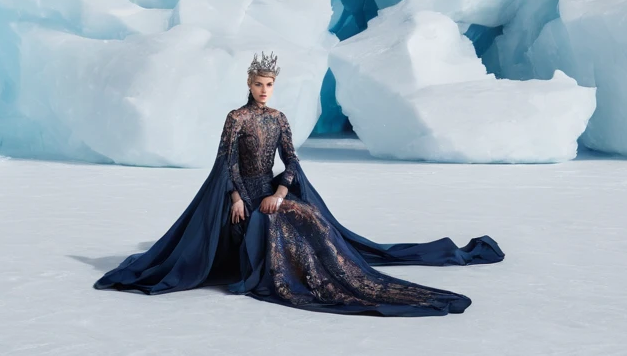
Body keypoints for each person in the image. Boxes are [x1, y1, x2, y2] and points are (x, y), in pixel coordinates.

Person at [94, 52, 504, 316]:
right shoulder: (236, 117)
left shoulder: (279, 118)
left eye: (269, 85)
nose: (264, 90)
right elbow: (225, 161)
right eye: (259, 84)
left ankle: (335, 274)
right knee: (272, 225)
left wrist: (281, 191)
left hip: (270, 190)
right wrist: (236, 196)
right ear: (249, 83)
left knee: (310, 221)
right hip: (239, 195)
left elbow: (291, 159)